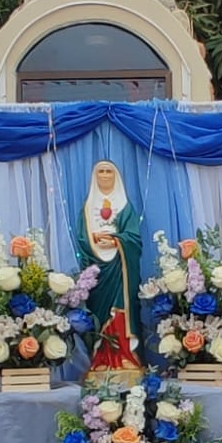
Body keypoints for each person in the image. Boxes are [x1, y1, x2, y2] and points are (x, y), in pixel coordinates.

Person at [76, 158, 144, 377]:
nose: (105, 176)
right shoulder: (87, 208)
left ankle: (125, 356)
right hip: (98, 270)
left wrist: (116, 241)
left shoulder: (125, 206)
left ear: (116, 176)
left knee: (121, 310)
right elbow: (82, 239)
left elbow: (134, 238)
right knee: (100, 314)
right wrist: (95, 245)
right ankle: (101, 359)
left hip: (120, 268)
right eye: (101, 171)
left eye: (109, 171)